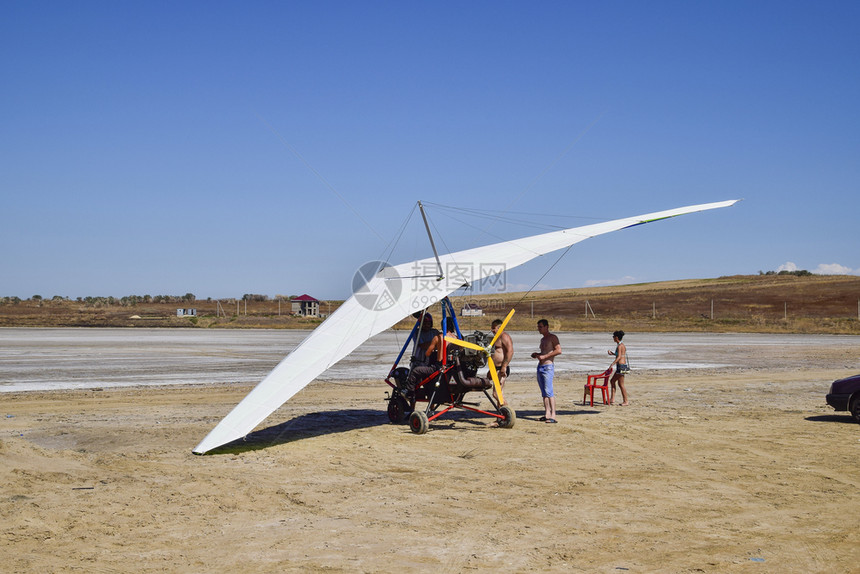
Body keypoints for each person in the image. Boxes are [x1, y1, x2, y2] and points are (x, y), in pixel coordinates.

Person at [531, 319, 561, 423]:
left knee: (549, 391)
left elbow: (558, 350)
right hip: (540, 366)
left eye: (540, 327)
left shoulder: (553, 337)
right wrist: (538, 354)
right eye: (538, 327)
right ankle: (547, 413)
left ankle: (553, 415)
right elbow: (544, 351)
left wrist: (545, 356)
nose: (538, 329)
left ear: (546, 327)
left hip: (548, 366)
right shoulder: (543, 339)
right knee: (544, 392)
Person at [489, 318, 514, 405]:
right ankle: (501, 416)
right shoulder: (495, 338)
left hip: (501, 368)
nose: (492, 330)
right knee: (499, 393)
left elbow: (510, 351)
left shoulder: (504, 336)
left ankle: (507, 411)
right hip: (495, 368)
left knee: (497, 394)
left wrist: (504, 367)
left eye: (494, 328)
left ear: (500, 327)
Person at [607, 330, 629, 406]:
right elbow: (620, 355)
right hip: (621, 366)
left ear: (616, 337)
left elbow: (619, 357)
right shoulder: (621, 345)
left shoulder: (620, 346)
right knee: (614, 381)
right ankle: (612, 399)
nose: (613, 338)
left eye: (613, 337)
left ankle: (625, 401)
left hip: (621, 366)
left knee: (619, 383)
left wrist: (612, 364)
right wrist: (613, 353)